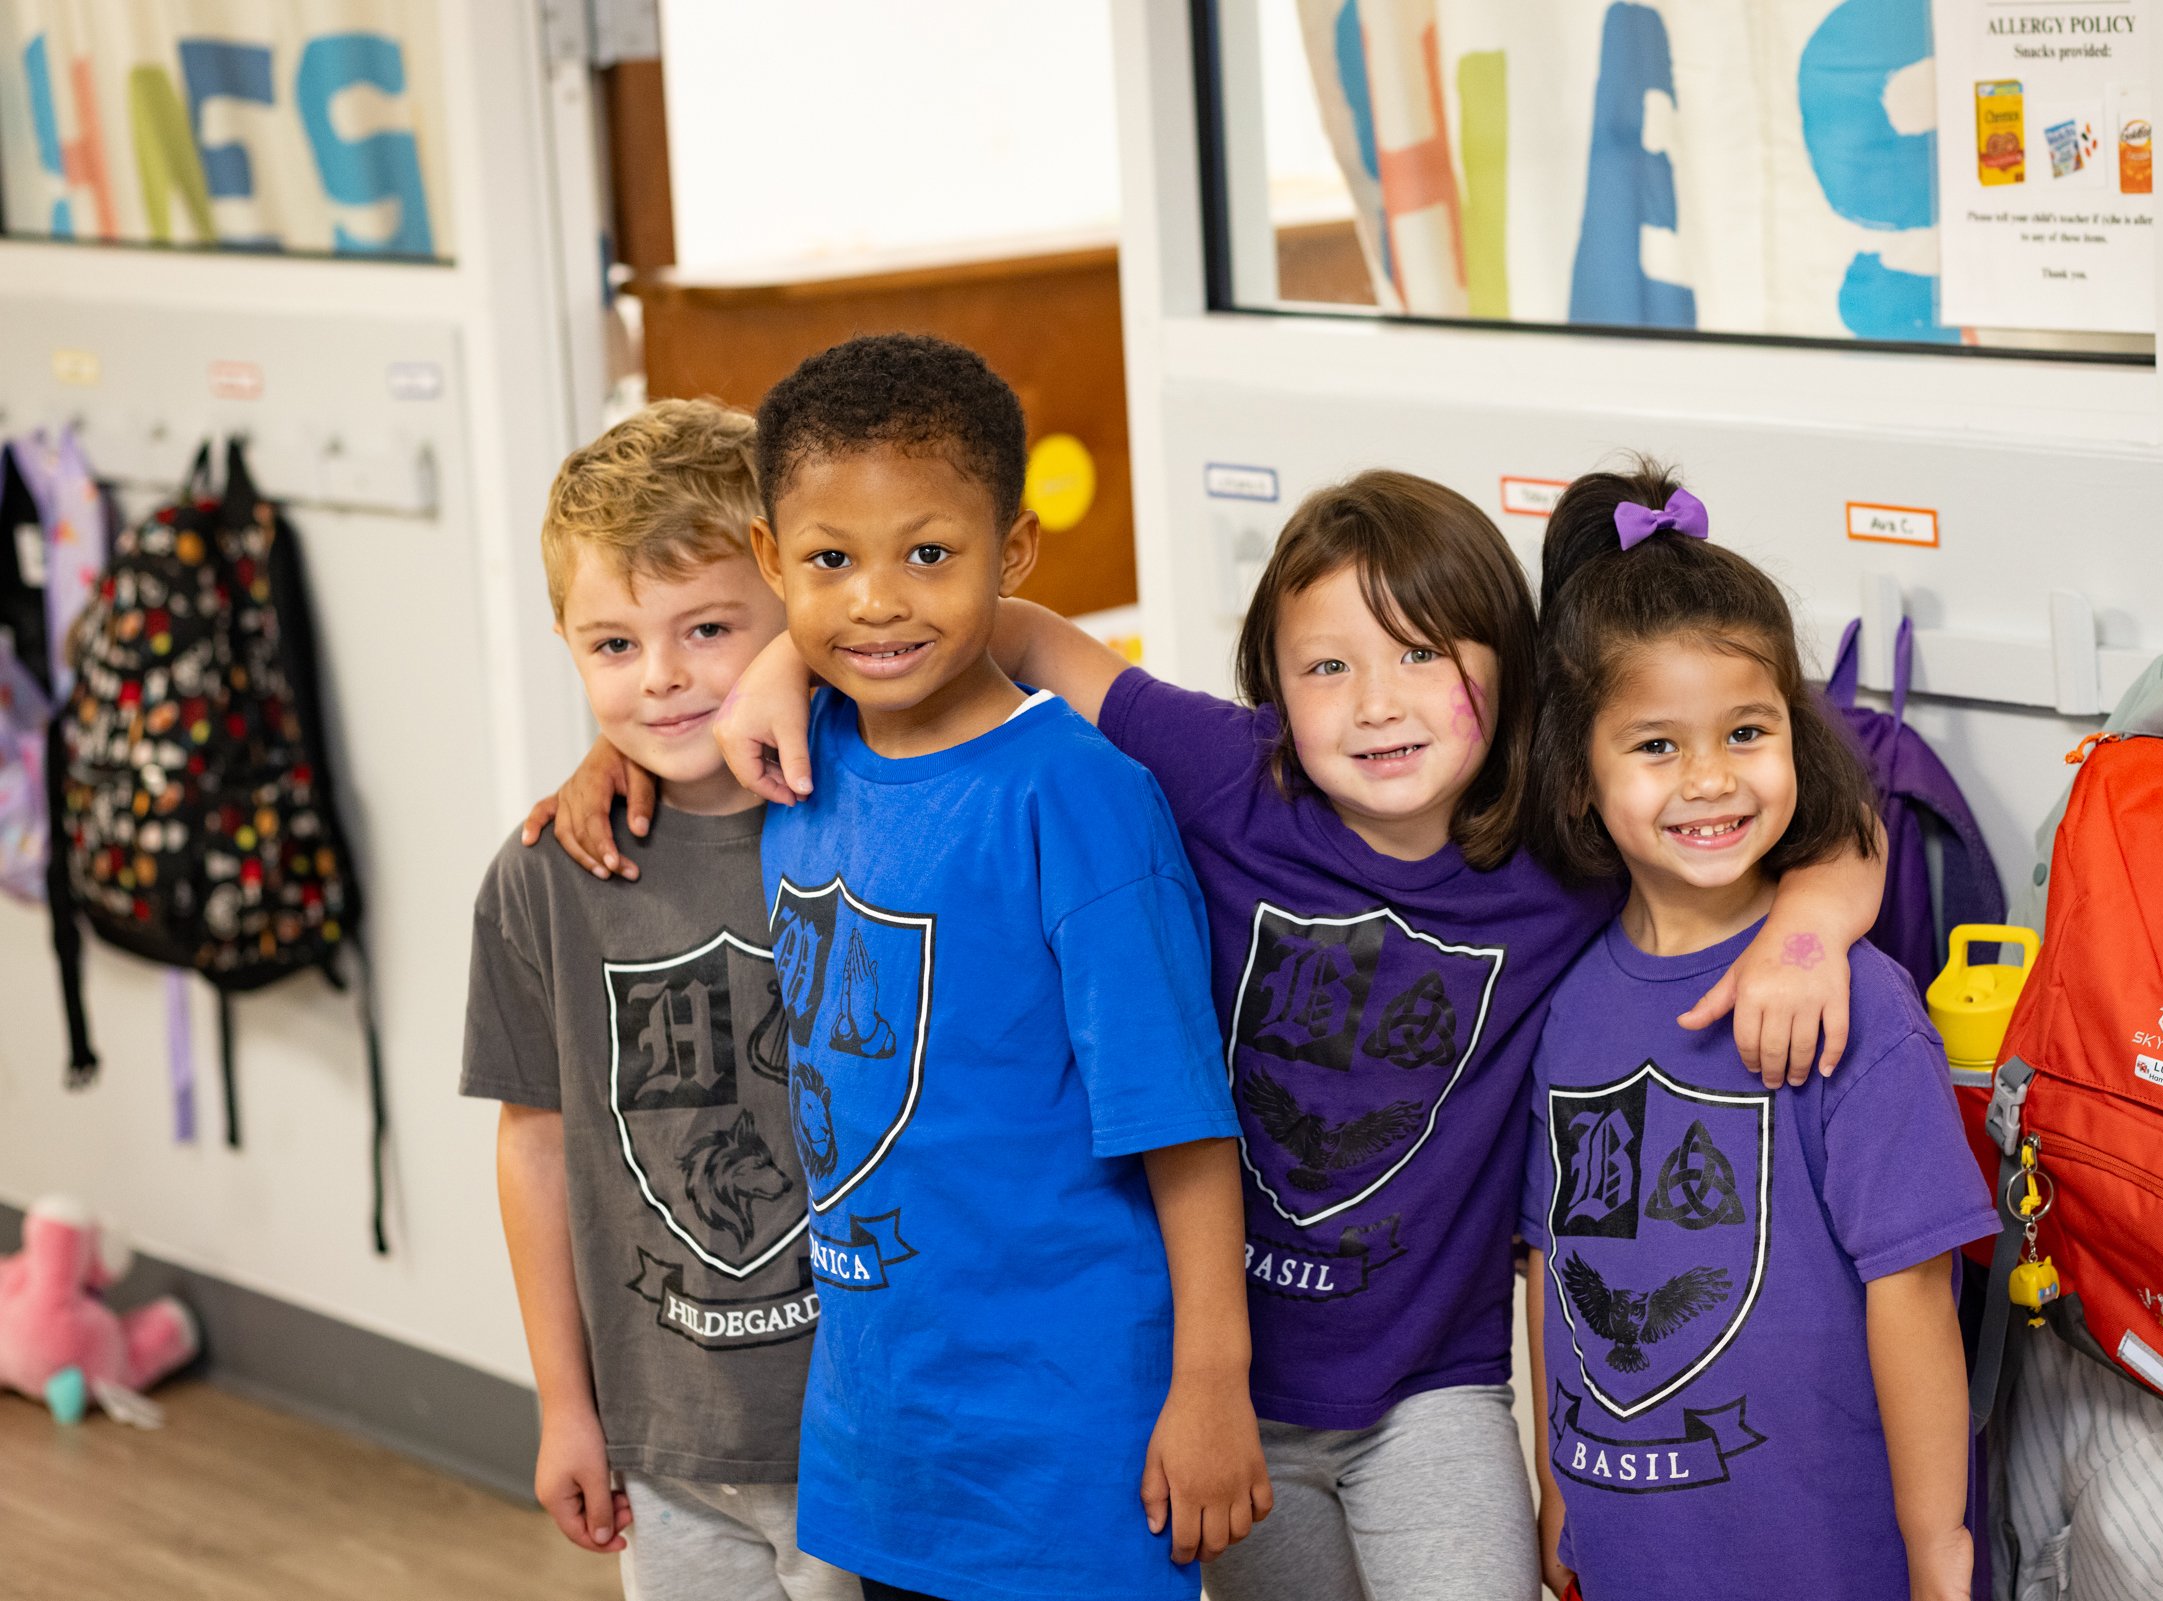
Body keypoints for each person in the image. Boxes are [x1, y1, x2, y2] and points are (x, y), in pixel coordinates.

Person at [647, 466, 1889, 1601]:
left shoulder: (1555, 846)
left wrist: (1805, 933)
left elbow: (1827, 820)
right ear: (1270, 686)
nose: (1377, 705)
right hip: (1232, 1390)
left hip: (1434, 1388)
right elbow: (1007, 630)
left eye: (1419, 655)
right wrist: (783, 668)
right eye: (1326, 668)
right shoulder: (1223, 772)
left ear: (1507, 672)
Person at [736, 333, 1267, 1601]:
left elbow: (1182, 1122)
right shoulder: (794, 754)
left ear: (1013, 553)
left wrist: (1211, 1382)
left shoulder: (1078, 798)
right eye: (829, 560)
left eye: (930, 553)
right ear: (772, 561)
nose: (877, 599)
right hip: (886, 1429)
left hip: (1068, 1438)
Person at [1518, 463, 1996, 1601]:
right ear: (1578, 776)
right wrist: (1555, 1491)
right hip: (1630, 1555)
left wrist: (1942, 1553)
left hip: (1827, 1560)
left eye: (1745, 730)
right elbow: (1551, 1260)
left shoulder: (1858, 1004)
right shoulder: (1569, 1000)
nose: (1710, 778)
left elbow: (1916, 1295)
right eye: (1655, 745)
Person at [461, 400, 857, 1599]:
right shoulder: (544, 877)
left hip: (870, 1432)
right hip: (666, 1439)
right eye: (615, 644)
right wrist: (565, 1406)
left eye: (710, 628)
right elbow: (535, 1144)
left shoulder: (884, 800)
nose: (666, 677)